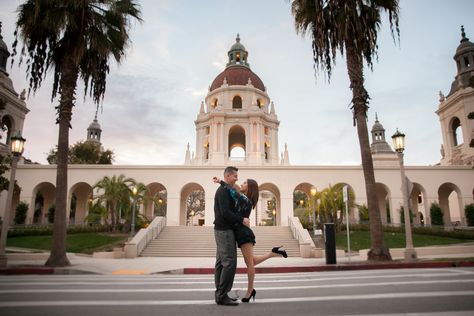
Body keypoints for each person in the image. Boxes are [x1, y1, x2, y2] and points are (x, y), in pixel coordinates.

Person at [213, 176, 287, 303]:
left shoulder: (246, 200)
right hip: (239, 232)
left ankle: (250, 291)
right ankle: (274, 252)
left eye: (245, 182)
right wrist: (225, 181)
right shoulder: (244, 197)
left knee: (250, 264)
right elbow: (234, 187)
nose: (241, 183)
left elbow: (231, 190)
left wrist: (221, 182)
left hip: (243, 233)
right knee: (251, 261)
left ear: (250, 187)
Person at [213, 166, 249, 306]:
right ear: (228, 176)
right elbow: (225, 212)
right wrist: (241, 220)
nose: (237, 178)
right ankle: (222, 295)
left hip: (222, 230)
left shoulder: (225, 189)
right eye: (235, 176)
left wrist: (221, 181)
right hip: (224, 231)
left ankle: (220, 294)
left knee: (221, 263)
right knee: (229, 262)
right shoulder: (223, 191)